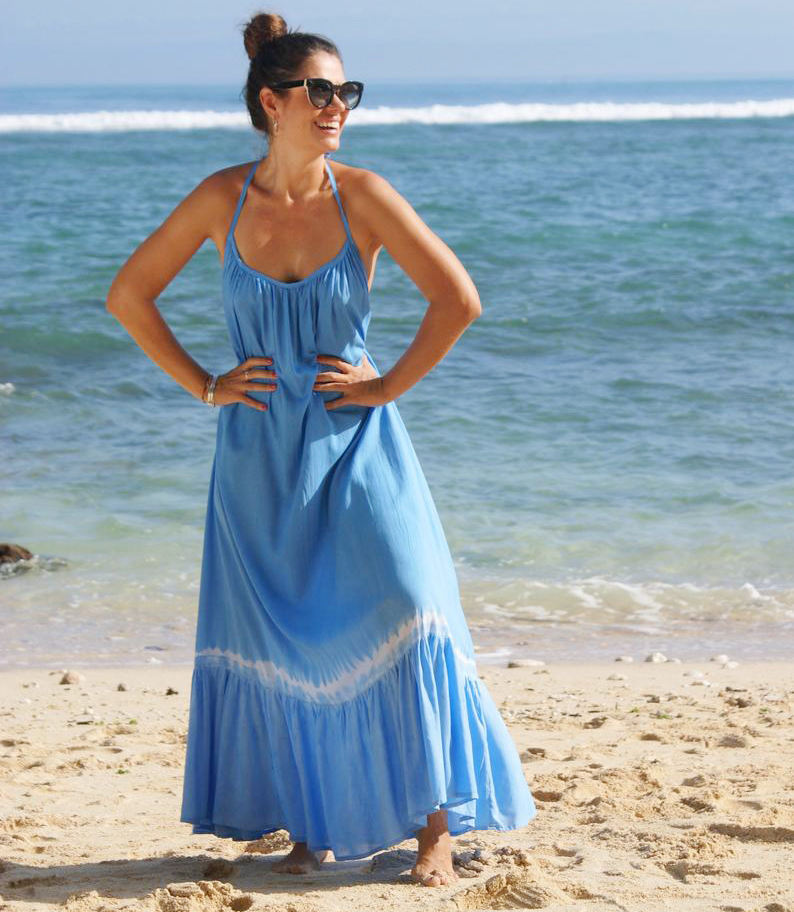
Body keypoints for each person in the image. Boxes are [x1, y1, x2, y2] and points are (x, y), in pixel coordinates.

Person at [105, 9, 536, 890]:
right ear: (273, 103)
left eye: (347, 91)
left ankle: (435, 829)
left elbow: (458, 300)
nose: (338, 105)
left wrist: (385, 385)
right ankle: (311, 830)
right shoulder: (221, 198)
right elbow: (128, 296)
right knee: (283, 639)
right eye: (321, 91)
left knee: (408, 608)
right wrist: (205, 384)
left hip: (356, 444)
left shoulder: (363, 195)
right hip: (256, 456)